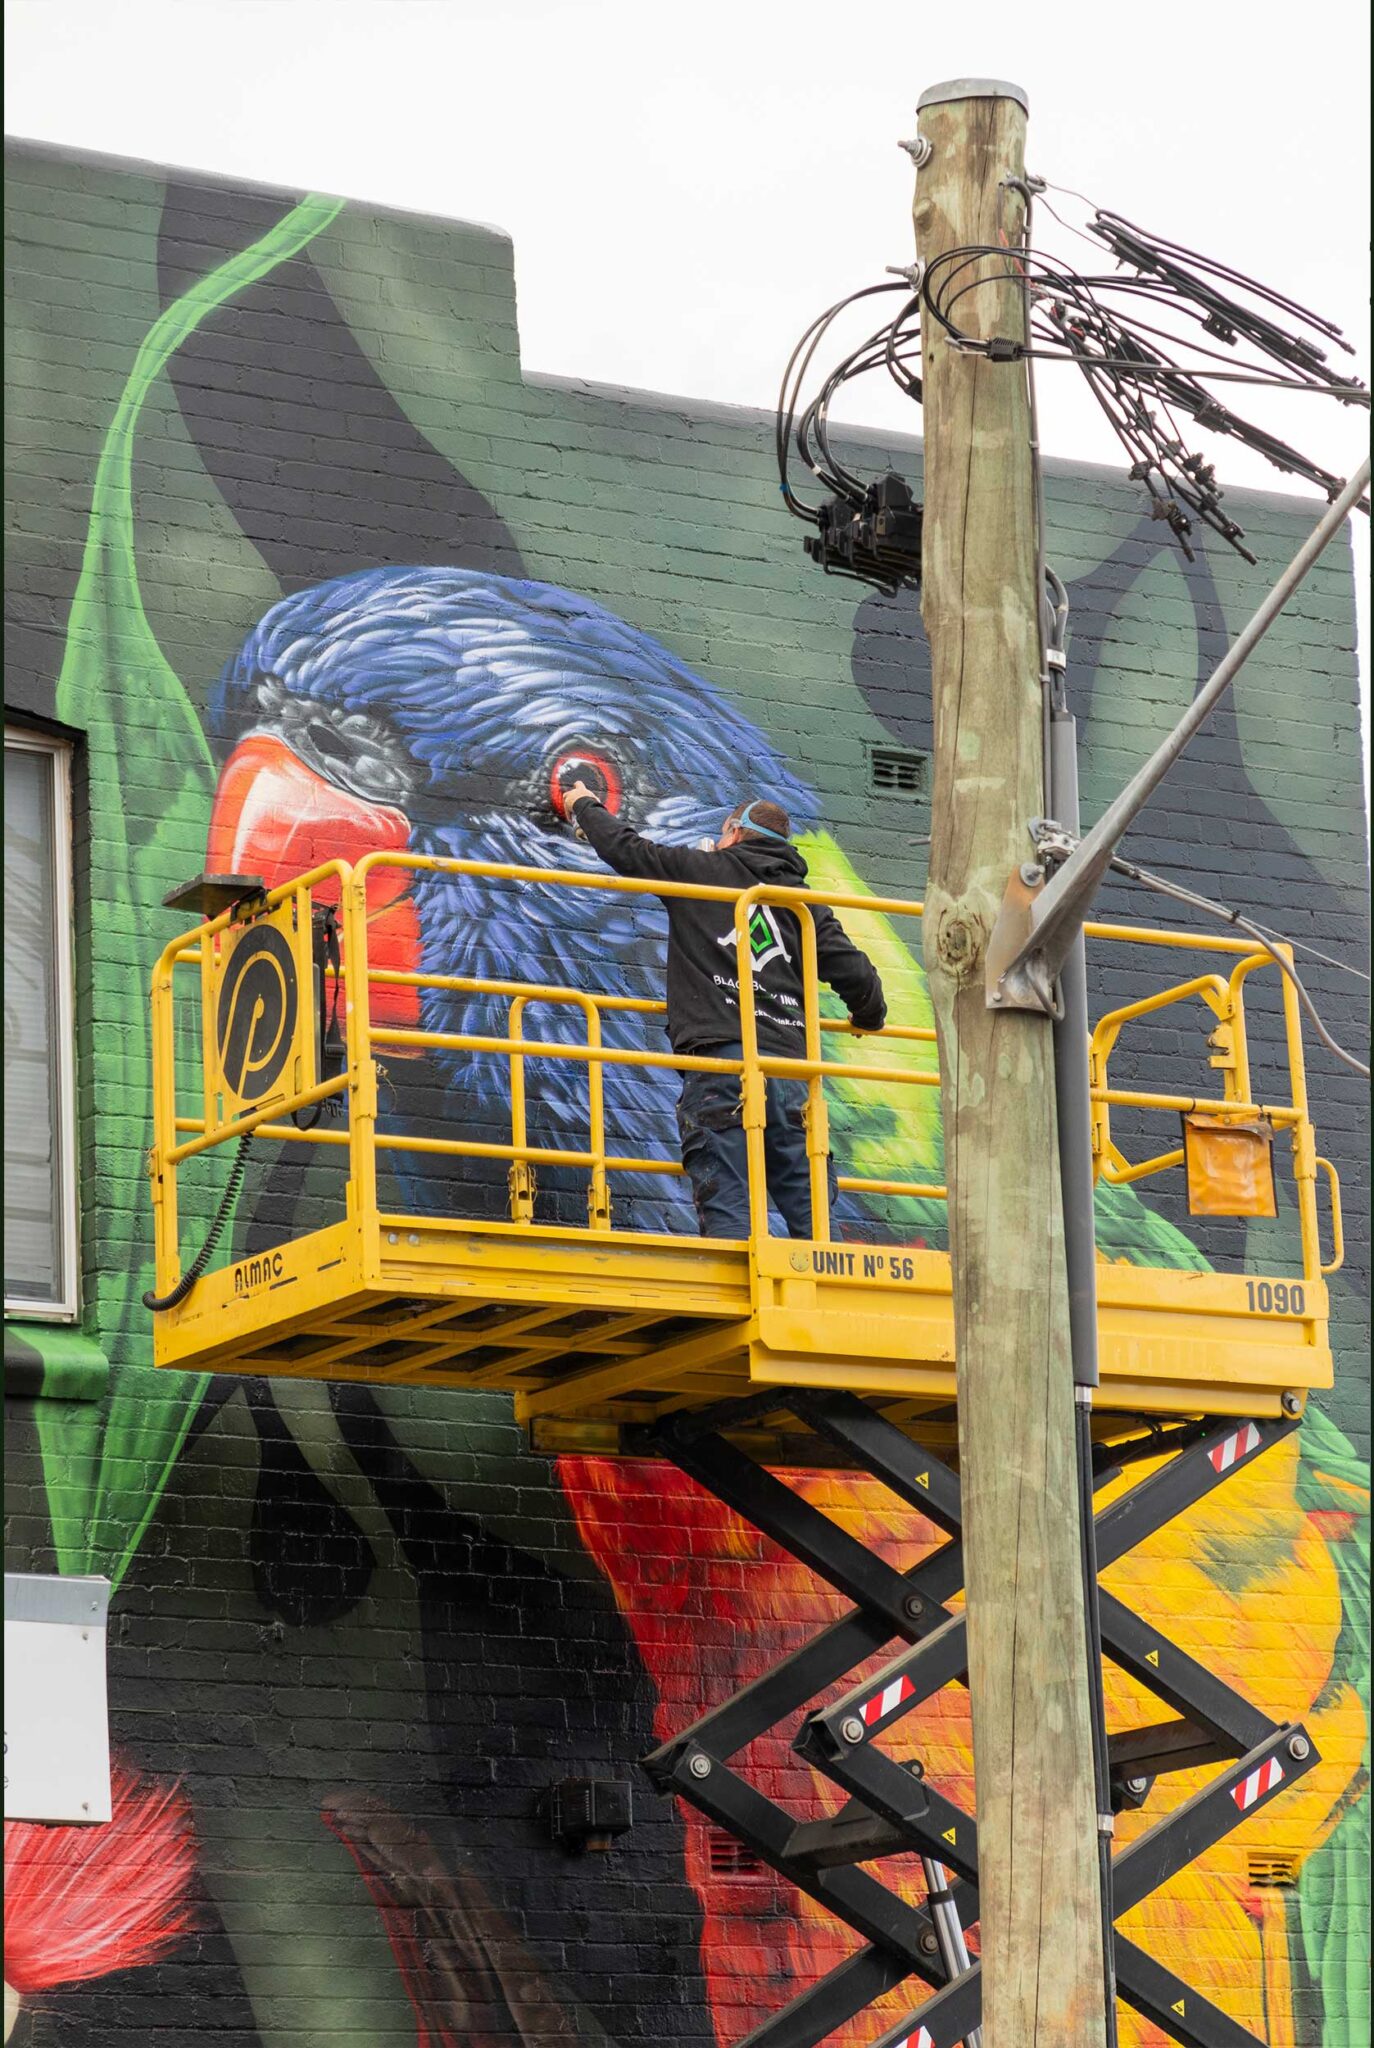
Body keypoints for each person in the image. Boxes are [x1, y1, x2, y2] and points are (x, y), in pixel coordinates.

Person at [561, 781, 886, 1240]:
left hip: (721, 1068)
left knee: (728, 1200)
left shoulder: (702, 871)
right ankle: (828, 1288)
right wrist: (866, 1018)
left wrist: (583, 804)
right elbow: (859, 977)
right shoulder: (804, 905)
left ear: (733, 832)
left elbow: (627, 849)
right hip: (790, 1074)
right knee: (812, 1208)